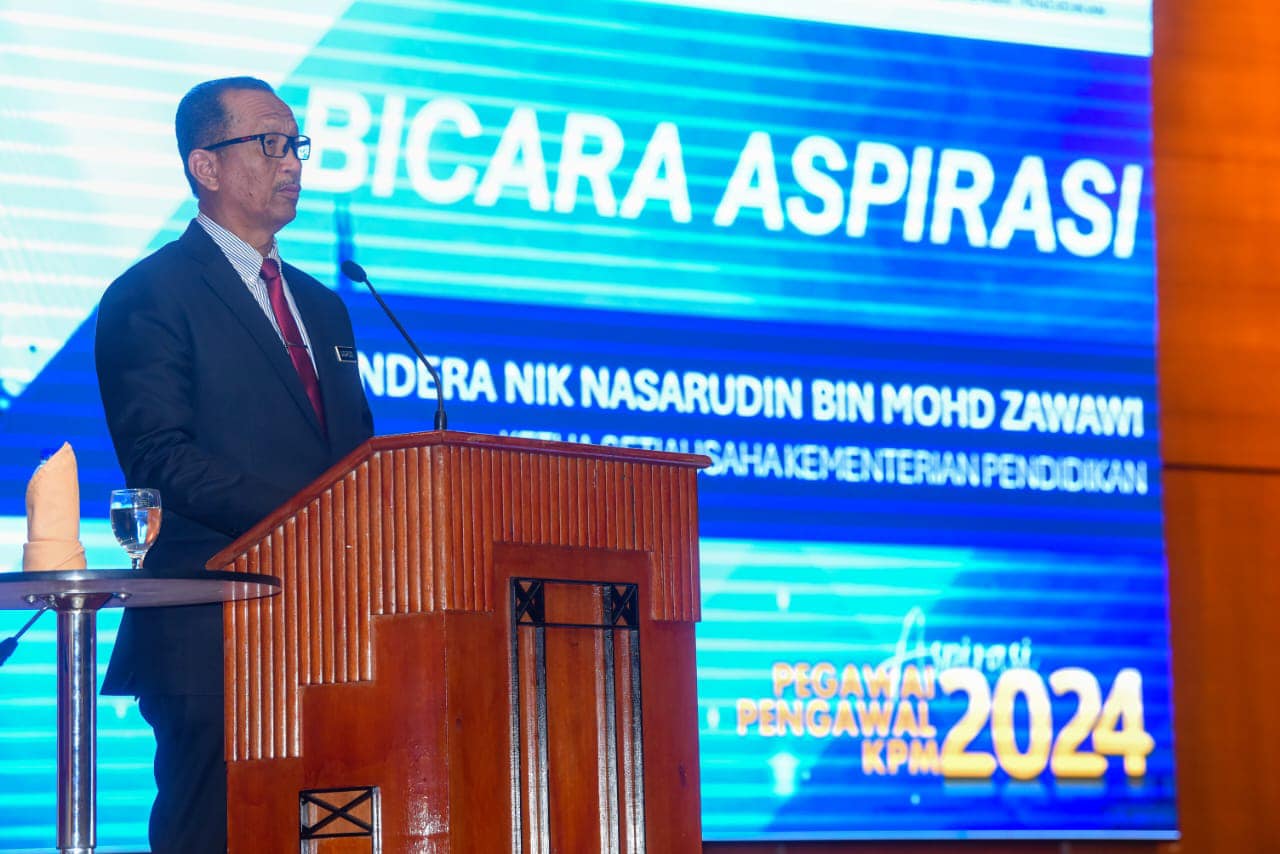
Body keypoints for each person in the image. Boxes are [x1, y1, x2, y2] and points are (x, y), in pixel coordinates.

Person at [95, 76, 374, 853]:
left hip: (332, 627)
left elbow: (354, 452)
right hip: (212, 628)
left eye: (296, 145)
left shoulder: (326, 306)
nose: (292, 163)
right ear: (205, 166)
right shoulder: (150, 293)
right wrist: (309, 520)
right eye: (270, 144)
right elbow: (160, 457)